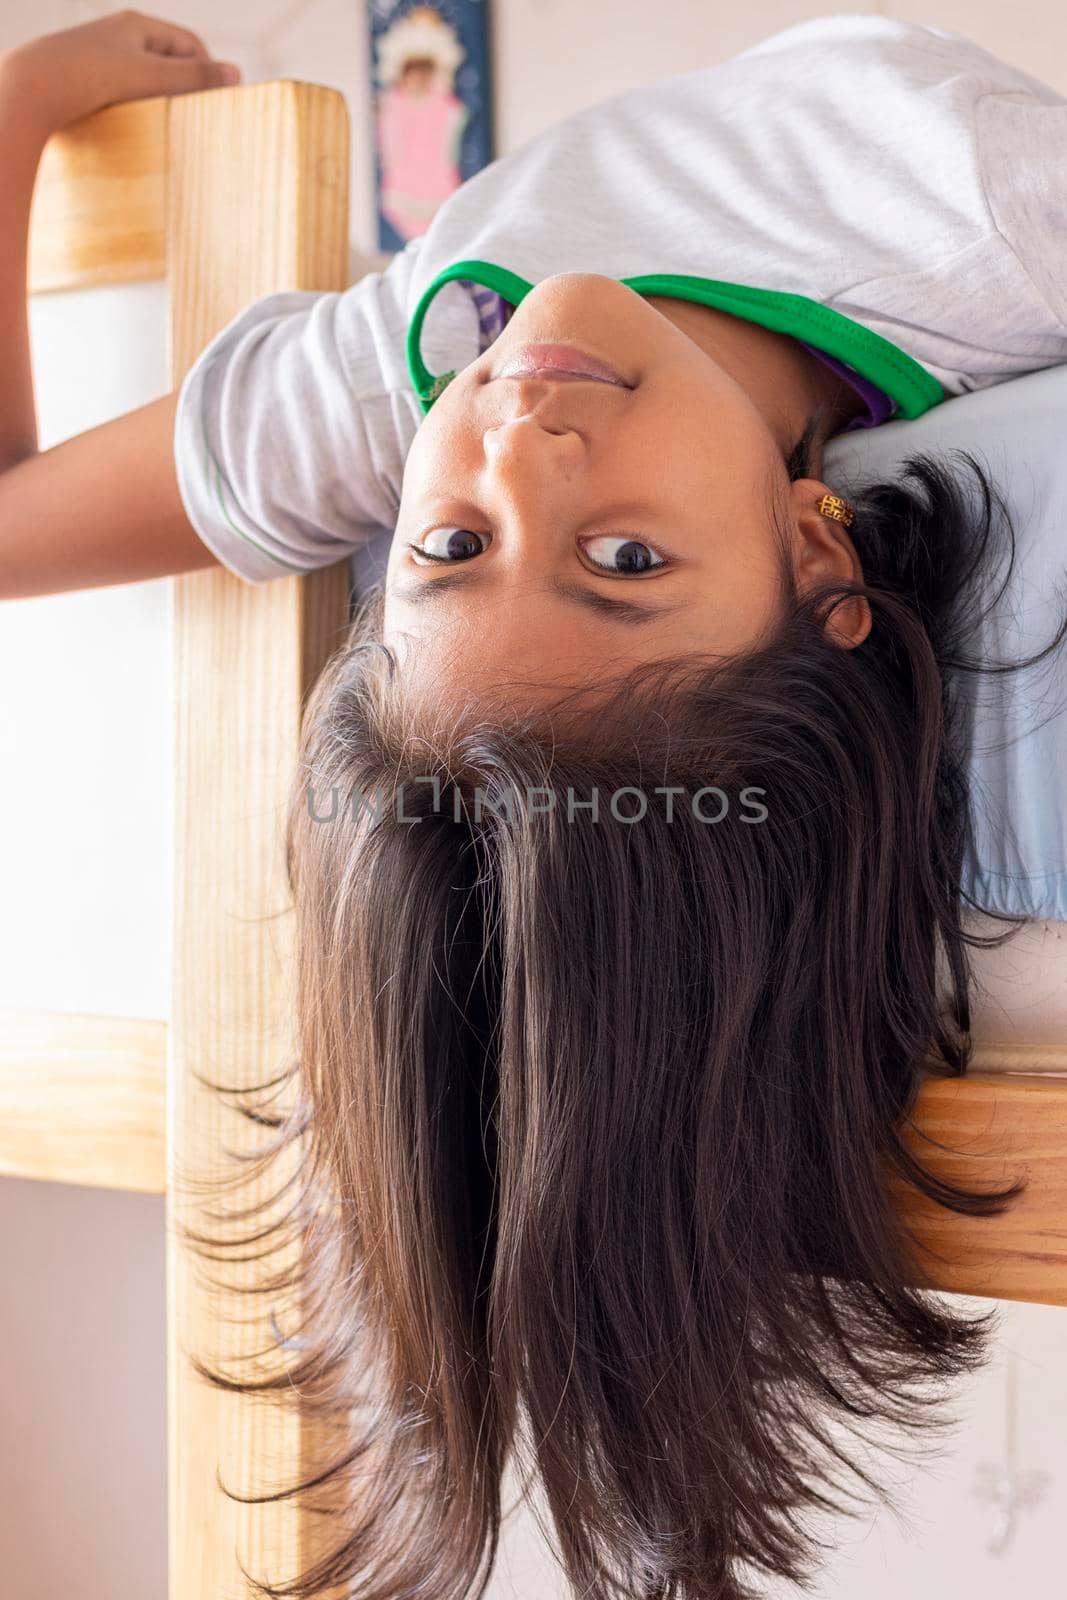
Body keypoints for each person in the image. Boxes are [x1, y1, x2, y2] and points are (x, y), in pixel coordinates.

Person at [3, 14, 1067, 1600]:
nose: (525, 449)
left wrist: (20, 108)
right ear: (819, 555)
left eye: (445, 552)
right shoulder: (994, 238)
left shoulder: (375, 393)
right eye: (625, 564)